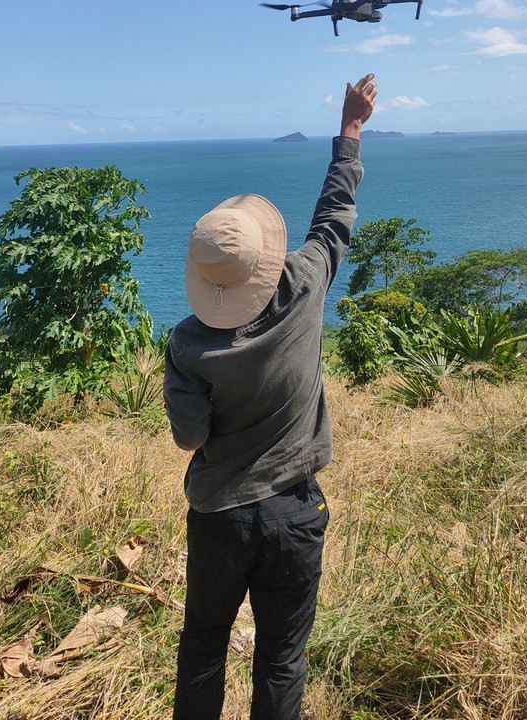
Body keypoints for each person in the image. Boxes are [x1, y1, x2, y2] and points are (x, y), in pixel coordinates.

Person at [163, 73, 378, 720]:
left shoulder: (188, 343)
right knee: (283, 658)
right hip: (294, 512)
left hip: (221, 519)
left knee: (204, 643)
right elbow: (334, 216)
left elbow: (189, 436)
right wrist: (351, 129)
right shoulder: (304, 286)